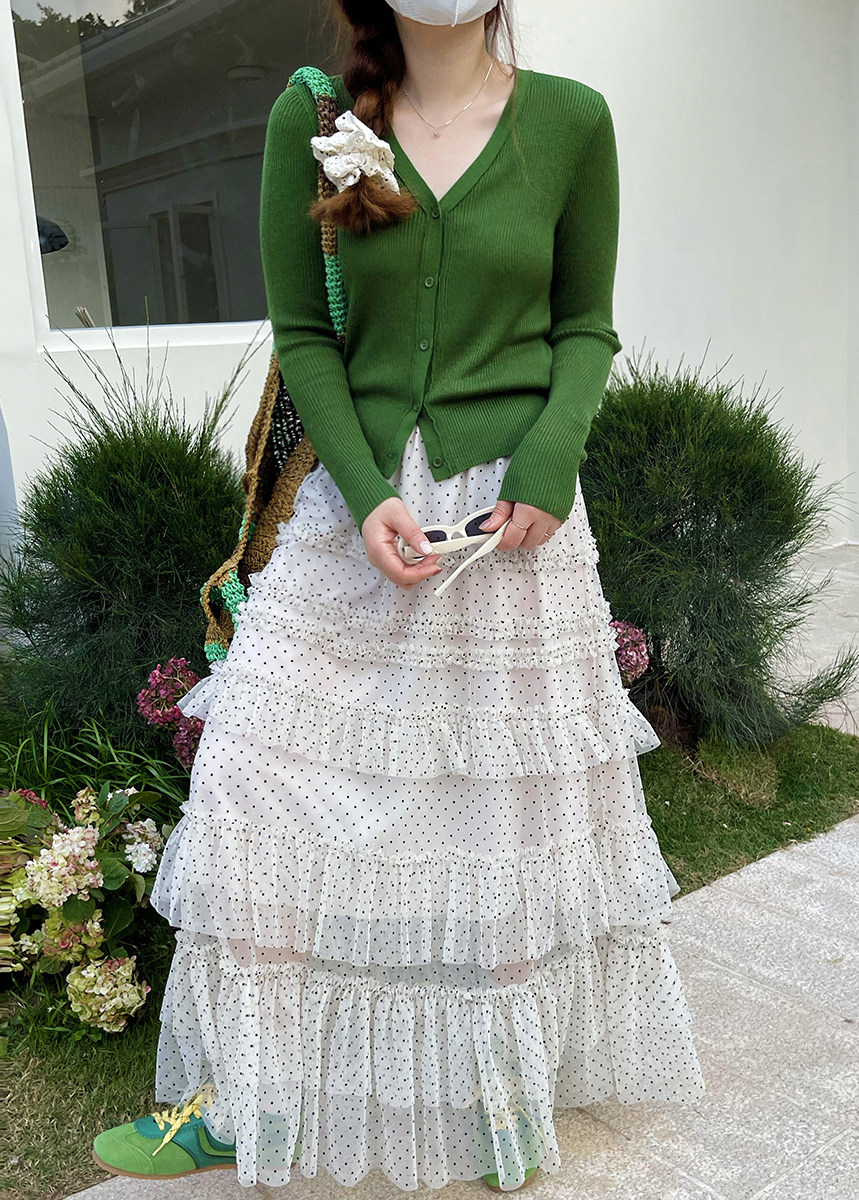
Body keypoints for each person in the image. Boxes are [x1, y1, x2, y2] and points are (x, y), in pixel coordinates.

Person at [92, 0, 706, 1191]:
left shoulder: (573, 122)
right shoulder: (315, 117)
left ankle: (501, 1097)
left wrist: (549, 463)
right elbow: (303, 333)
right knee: (257, 787)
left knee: (498, 817)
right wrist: (367, 490)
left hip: (508, 521)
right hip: (353, 508)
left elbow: (584, 326)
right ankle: (251, 1096)